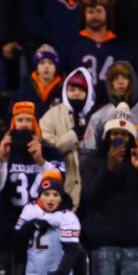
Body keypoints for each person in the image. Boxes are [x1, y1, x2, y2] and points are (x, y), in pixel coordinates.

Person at [79, 103, 138, 275]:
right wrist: (109, 168)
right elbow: (89, 197)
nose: (119, 138)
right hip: (103, 244)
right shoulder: (93, 161)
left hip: (135, 244)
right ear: (106, 137)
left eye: (123, 134)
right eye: (114, 133)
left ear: (131, 138)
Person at [0, 101, 65, 275]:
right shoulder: (2, 152)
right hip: (8, 231)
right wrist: (2, 159)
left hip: (43, 234)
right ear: (13, 123)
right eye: (19, 119)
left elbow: (59, 185)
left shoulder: (50, 153)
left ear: (35, 124)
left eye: (28, 120)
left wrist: (41, 161)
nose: (23, 124)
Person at [14, 172, 84, 275]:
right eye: (46, 194)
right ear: (40, 196)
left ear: (61, 197)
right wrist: (31, 225)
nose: (51, 198)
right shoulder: (30, 210)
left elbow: (72, 251)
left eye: (55, 195)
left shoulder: (68, 217)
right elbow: (17, 241)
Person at [39, 67, 97, 206]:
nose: (76, 94)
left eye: (81, 90)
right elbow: (46, 148)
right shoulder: (51, 116)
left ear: (88, 93)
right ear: (65, 92)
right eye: (72, 90)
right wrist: (73, 135)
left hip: (91, 187)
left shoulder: (96, 118)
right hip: (61, 189)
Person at [66, 0, 132, 88]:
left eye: (99, 11)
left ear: (107, 13)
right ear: (84, 15)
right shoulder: (73, 45)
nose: (95, 15)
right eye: (90, 11)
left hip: (112, 102)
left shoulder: (121, 47)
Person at [12, 45, 63, 118]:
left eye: (50, 63)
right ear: (36, 67)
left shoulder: (64, 89)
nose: (46, 66)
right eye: (42, 63)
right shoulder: (25, 89)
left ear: (56, 68)